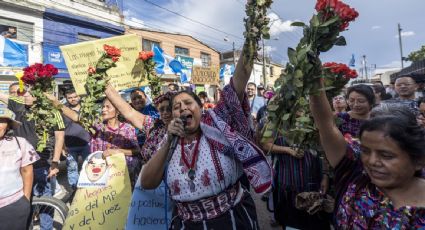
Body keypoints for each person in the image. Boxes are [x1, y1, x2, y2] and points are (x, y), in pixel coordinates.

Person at [140, 50, 272, 229]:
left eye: (188, 103)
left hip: (233, 219)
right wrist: (169, 141)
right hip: (188, 223)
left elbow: (236, 86)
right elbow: (147, 183)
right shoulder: (167, 140)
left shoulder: (216, 123)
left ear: (200, 108)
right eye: (177, 107)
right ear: (173, 115)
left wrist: (251, 38)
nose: (183, 108)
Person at [310, 80, 425, 228]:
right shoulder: (356, 172)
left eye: (386, 155)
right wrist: (314, 76)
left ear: (418, 160)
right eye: (365, 150)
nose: (372, 161)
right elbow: (325, 124)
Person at [0, 89, 65, 230]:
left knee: (44, 202)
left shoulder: (52, 112)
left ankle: (46, 228)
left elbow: (60, 137)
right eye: (25, 93)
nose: (26, 96)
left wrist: (55, 163)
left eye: (31, 93)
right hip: (18, 166)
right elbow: (3, 96)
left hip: (43, 165)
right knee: (23, 202)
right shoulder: (17, 106)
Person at [49, 97, 141, 189]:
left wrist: (117, 152)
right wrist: (55, 101)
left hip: (124, 174)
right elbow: (75, 117)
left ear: (117, 111)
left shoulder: (127, 129)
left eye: (108, 107)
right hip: (102, 176)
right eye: (103, 107)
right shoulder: (96, 127)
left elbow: (137, 150)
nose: (104, 109)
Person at [0, 108, 39, 230]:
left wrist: (25, 200)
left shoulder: (19, 143)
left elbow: (27, 171)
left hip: (12, 205)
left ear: (8, 125)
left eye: (1, 121)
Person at [62, 89, 91, 194]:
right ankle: (75, 191)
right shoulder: (63, 110)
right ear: (66, 98)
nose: (72, 99)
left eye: (74, 96)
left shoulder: (87, 108)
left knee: (89, 167)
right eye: (69, 97)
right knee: (72, 169)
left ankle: (90, 189)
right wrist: (63, 147)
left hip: (86, 143)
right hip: (70, 145)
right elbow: (60, 130)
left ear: (79, 96)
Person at [140, 92, 175, 163]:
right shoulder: (155, 126)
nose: (165, 112)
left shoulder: (181, 132)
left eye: (169, 109)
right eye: (162, 109)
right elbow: (129, 113)